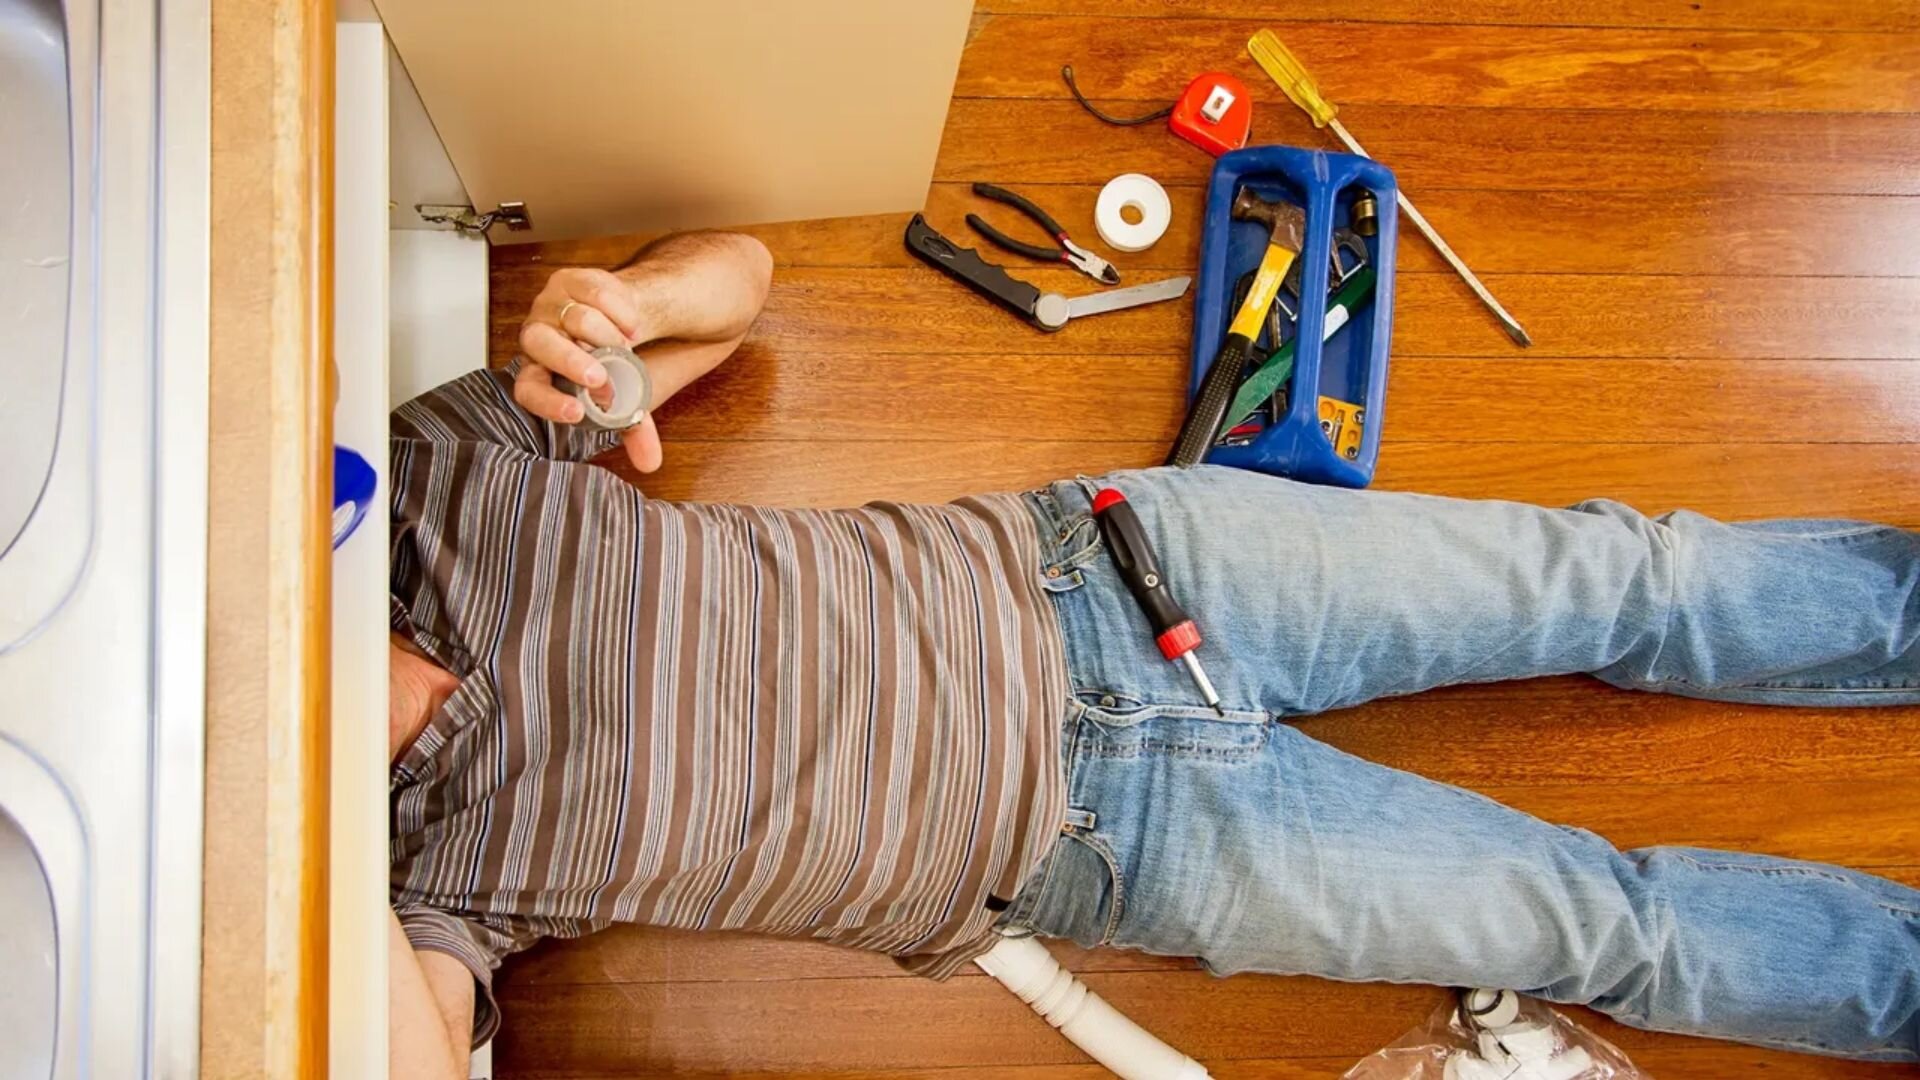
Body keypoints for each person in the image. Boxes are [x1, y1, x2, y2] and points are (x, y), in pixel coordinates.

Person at [387, 230, 1920, 1078]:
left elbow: (737, 281)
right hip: (1122, 849)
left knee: (1624, 579)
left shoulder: (420, 479)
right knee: (1604, 934)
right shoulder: (391, 889)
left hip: (1128, 570)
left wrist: (630, 306)